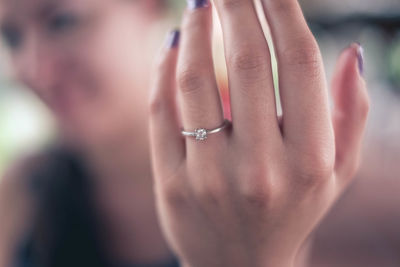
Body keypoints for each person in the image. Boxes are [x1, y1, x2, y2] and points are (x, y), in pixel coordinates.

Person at [0, 0, 370, 267]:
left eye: (62, 21)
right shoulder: (19, 191)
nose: (35, 69)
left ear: (149, 7)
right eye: (12, 36)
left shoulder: (256, 186)